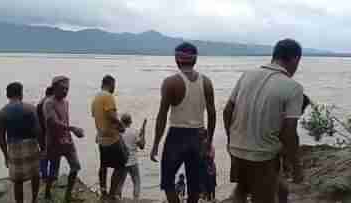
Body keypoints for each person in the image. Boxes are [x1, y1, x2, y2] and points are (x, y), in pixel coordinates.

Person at [223, 39, 304, 203]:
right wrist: (296, 167)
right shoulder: (293, 87)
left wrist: (231, 140)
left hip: (236, 149)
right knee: (263, 198)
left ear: (274, 55)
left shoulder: (247, 75)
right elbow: (289, 132)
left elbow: (227, 111)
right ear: (295, 59)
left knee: (241, 189)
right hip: (262, 156)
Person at [150, 42, 216, 203]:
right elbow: (212, 114)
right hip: (199, 136)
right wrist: (209, 141)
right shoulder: (206, 82)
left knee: (167, 181)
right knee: (194, 184)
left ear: (177, 59)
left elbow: (162, 116)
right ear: (195, 60)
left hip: (177, 136)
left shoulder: (171, 82)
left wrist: (156, 144)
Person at [0, 82, 41, 203]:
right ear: (21, 94)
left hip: (14, 148)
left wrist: (6, 156)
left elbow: (1, 138)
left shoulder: (2, 113)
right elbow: (38, 131)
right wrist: (42, 148)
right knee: (35, 175)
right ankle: (34, 199)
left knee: (18, 181)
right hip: (31, 145)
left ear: (7, 95)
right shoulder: (31, 108)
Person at [43, 76, 84, 202]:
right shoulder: (48, 103)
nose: (66, 91)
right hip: (54, 142)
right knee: (54, 172)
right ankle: (47, 191)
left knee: (76, 166)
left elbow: (64, 120)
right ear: (54, 88)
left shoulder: (66, 103)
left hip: (67, 140)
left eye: (67, 89)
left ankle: (68, 195)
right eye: (63, 88)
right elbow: (53, 122)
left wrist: (71, 133)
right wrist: (72, 128)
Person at [91, 75, 127, 200]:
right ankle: (112, 194)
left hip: (101, 138)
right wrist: (120, 125)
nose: (114, 88)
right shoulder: (108, 96)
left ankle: (103, 191)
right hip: (112, 139)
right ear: (110, 84)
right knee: (121, 166)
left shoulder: (96, 98)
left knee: (103, 165)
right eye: (114, 85)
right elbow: (111, 115)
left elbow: (96, 116)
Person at [118, 114, 147, 200]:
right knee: (136, 182)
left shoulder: (118, 132)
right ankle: (135, 200)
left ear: (121, 121)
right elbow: (142, 146)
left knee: (120, 183)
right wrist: (143, 133)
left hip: (122, 161)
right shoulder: (134, 132)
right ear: (130, 122)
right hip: (133, 161)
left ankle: (118, 199)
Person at [37, 86, 59, 182]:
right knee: (54, 155)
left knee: (44, 154)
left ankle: (44, 176)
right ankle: (52, 176)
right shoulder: (49, 104)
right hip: (48, 133)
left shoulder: (40, 103)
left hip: (41, 133)